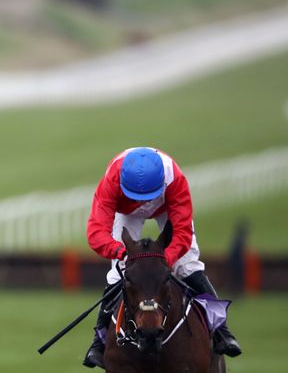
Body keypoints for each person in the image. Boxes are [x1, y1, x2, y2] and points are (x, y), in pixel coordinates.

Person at [82, 147, 241, 369]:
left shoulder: (175, 179)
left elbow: (183, 234)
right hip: (124, 210)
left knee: (189, 267)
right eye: (137, 196)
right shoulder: (111, 180)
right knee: (117, 272)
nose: (142, 202)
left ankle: (221, 331)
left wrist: (164, 259)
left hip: (167, 206)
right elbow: (96, 232)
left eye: (146, 197)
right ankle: (98, 343)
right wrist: (121, 252)